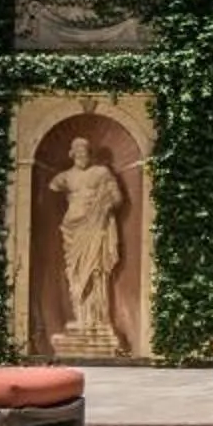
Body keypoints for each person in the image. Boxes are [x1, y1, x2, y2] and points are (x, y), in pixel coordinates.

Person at [50, 135, 126, 348]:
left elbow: (117, 198)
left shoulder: (101, 173)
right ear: (72, 154)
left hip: (95, 227)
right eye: (78, 151)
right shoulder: (64, 178)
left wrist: (104, 205)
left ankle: (97, 321)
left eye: (85, 151)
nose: (82, 155)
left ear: (89, 154)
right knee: (74, 274)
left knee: (96, 273)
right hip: (72, 230)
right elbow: (51, 186)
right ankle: (81, 319)